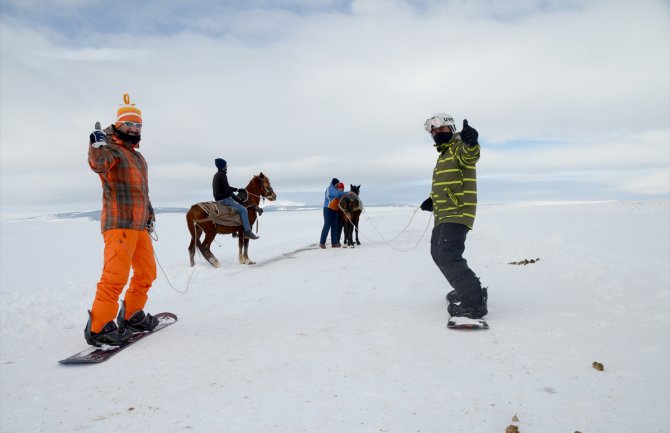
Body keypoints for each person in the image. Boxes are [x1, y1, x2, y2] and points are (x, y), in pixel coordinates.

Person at [85, 93, 160, 347]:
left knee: (147, 273)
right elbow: (99, 164)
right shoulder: (111, 150)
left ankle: (132, 315)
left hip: (139, 226)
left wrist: (149, 215)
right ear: (118, 124)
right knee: (115, 277)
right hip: (119, 225)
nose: (134, 128)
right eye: (129, 123)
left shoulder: (138, 158)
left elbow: (142, 192)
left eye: (138, 125)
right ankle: (99, 327)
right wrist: (95, 147)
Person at [420, 113, 488, 319]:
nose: (436, 133)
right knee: (437, 253)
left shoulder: (459, 147)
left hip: (458, 212)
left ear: (451, 129)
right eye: (432, 130)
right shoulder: (444, 155)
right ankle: (466, 288)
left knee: (448, 254)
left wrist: (472, 141)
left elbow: (471, 155)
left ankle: (474, 302)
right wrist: (433, 199)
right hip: (444, 214)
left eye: (440, 129)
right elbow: (449, 182)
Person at [212, 158, 259, 240]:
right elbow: (227, 190)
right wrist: (236, 198)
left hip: (218, 198)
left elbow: (227, 187)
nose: (227, 166)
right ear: (222, 166)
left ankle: (234, 232)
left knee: (237, 208)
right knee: (243, 210)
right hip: (224, 199)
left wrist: (237, 189)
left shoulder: (217, 175)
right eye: (225, 165)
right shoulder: (222, 175)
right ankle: (247, 231)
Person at [319, 178, 346, 249]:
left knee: (334, 227)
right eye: (338, 184)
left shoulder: (336, 189)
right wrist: (346, 193)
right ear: (335, 184)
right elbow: (337, 194)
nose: (339, 185)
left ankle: (334, 243)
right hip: (328, 209)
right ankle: (322, 243)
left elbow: (340, 195)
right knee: (327, 226)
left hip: (334, 210)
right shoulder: (330, 188)